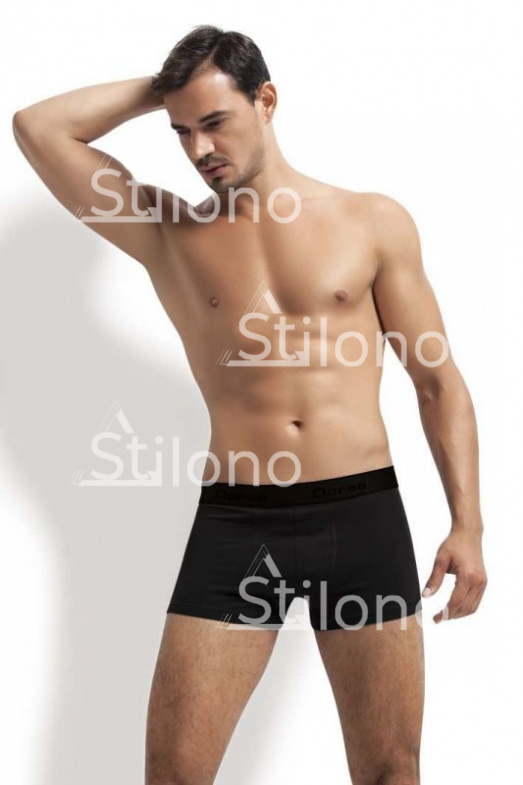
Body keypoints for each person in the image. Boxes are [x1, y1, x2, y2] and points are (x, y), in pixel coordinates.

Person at [13, 23, 487, 785]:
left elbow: (436, 381)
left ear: (265, 100)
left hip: (359, 516)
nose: (198, 149)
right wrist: (166, 87)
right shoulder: (168, 232)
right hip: (238, 523)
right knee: (174, 772)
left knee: (389, 770)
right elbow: (38, 127)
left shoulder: (371, 221)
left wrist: (467, 523)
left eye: (215, 121)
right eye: (181, 131)